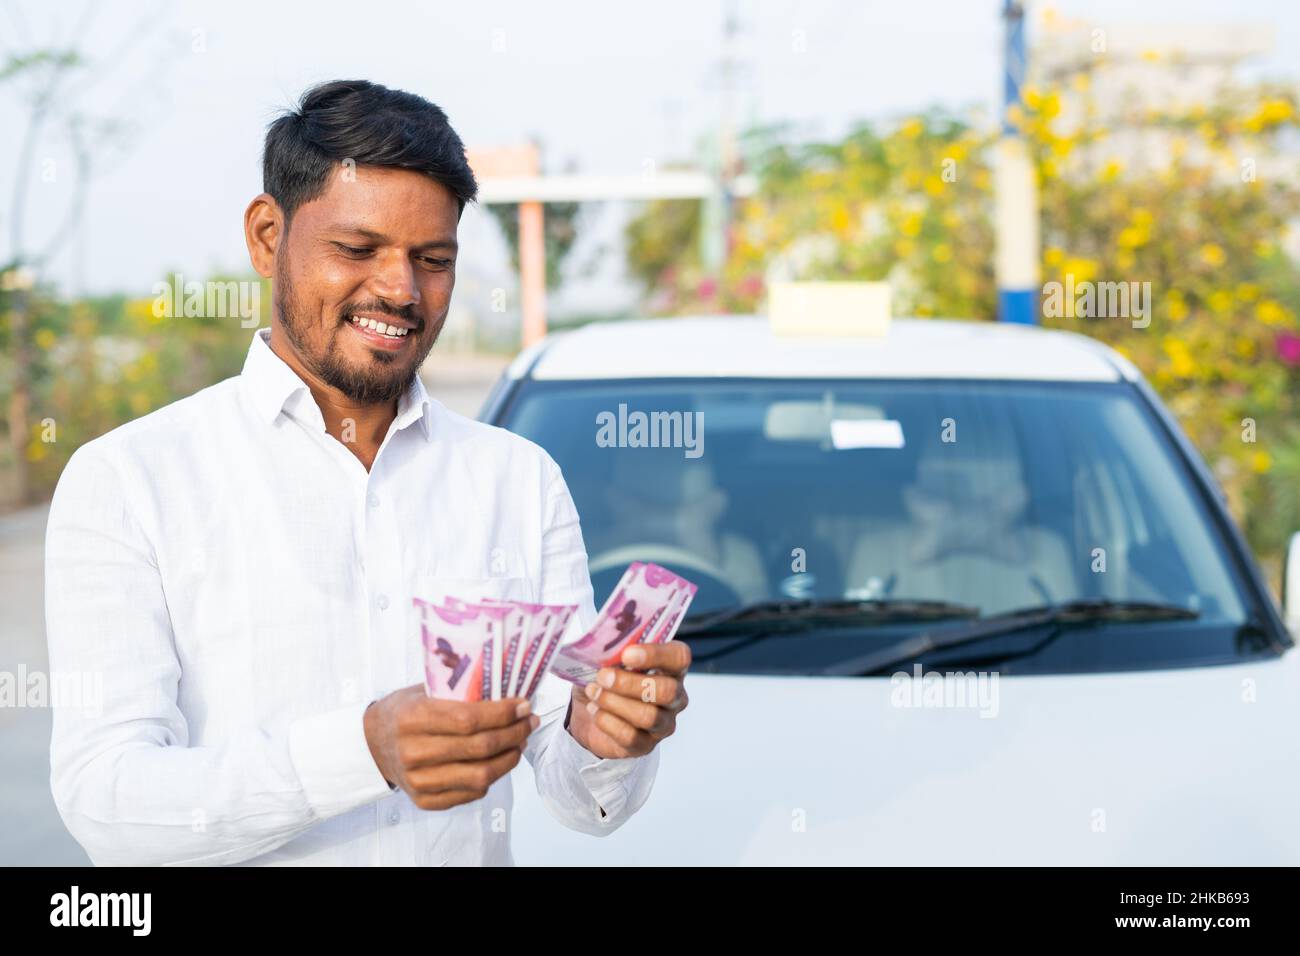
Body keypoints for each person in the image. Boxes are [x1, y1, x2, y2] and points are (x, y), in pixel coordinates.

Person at [45, 79, 691, 866]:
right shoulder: (131, 481)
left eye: (434, 259)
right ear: (265, 236)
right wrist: (362, 752)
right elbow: (107, 803)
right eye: (357, 249)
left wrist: (606, 734)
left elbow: (579, 794)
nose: (400, 289)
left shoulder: (518, 481)